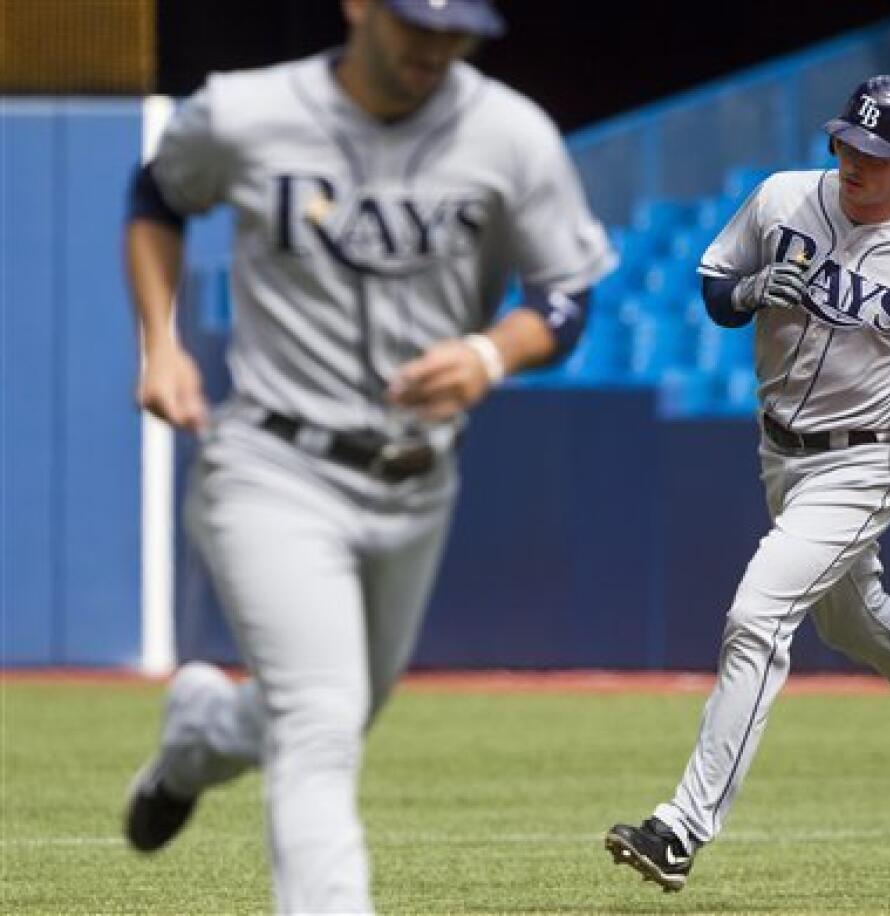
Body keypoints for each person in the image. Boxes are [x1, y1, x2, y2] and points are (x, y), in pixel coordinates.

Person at [121, 1, 613, 912]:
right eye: (413, 21)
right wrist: (160, 341)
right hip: (271, 464)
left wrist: (489, 353)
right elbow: (157, 194)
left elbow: (564, 292)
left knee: (321, 711)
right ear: (357, 7)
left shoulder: (509, 134)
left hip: (416, 484)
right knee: (320, 721)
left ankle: (197, 735)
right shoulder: (245, 111)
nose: (433, 44)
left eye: (454, 27)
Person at [606, 75, 890, 892]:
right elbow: (713, 288)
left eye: (878, 152)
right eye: (848, 141)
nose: (855, 161)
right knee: (851, 618)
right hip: (779, 449)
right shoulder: (781, 198)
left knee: (757, 616)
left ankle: (682, 827)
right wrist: (741, 293)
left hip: (866, 459)